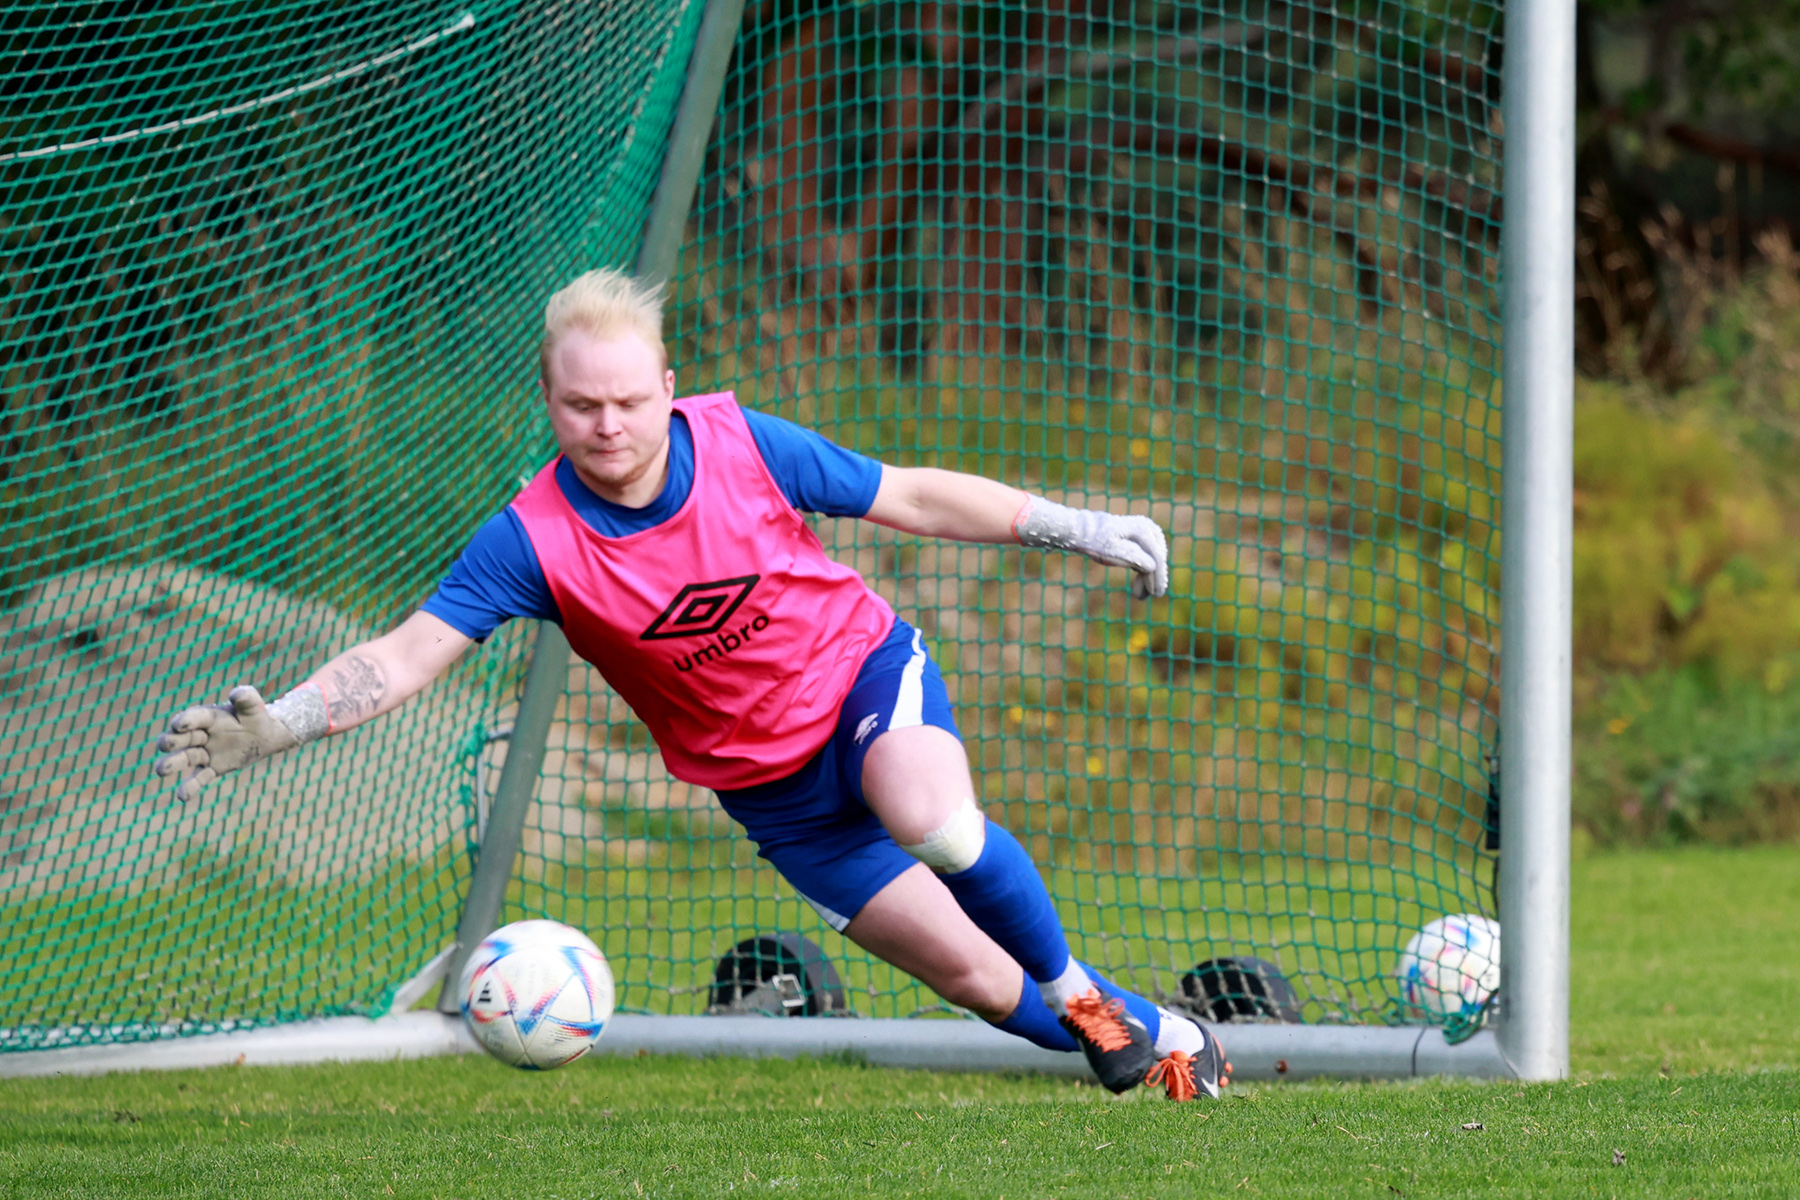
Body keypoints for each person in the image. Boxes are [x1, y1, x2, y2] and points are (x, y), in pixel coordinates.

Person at [152, 269, 1230, 1100]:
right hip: (776, 800)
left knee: (934, 820)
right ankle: (1180, 1044)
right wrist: (282, 725)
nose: (609, 427)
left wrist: (1075, 526)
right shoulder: (528, 540)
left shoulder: (741, 444)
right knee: (975, 984)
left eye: (628, 400)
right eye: (582, 407)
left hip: (863, 680)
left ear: (667, 388)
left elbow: (905, 495)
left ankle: (1078, 995)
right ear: (550, 400)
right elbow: (405, 653)